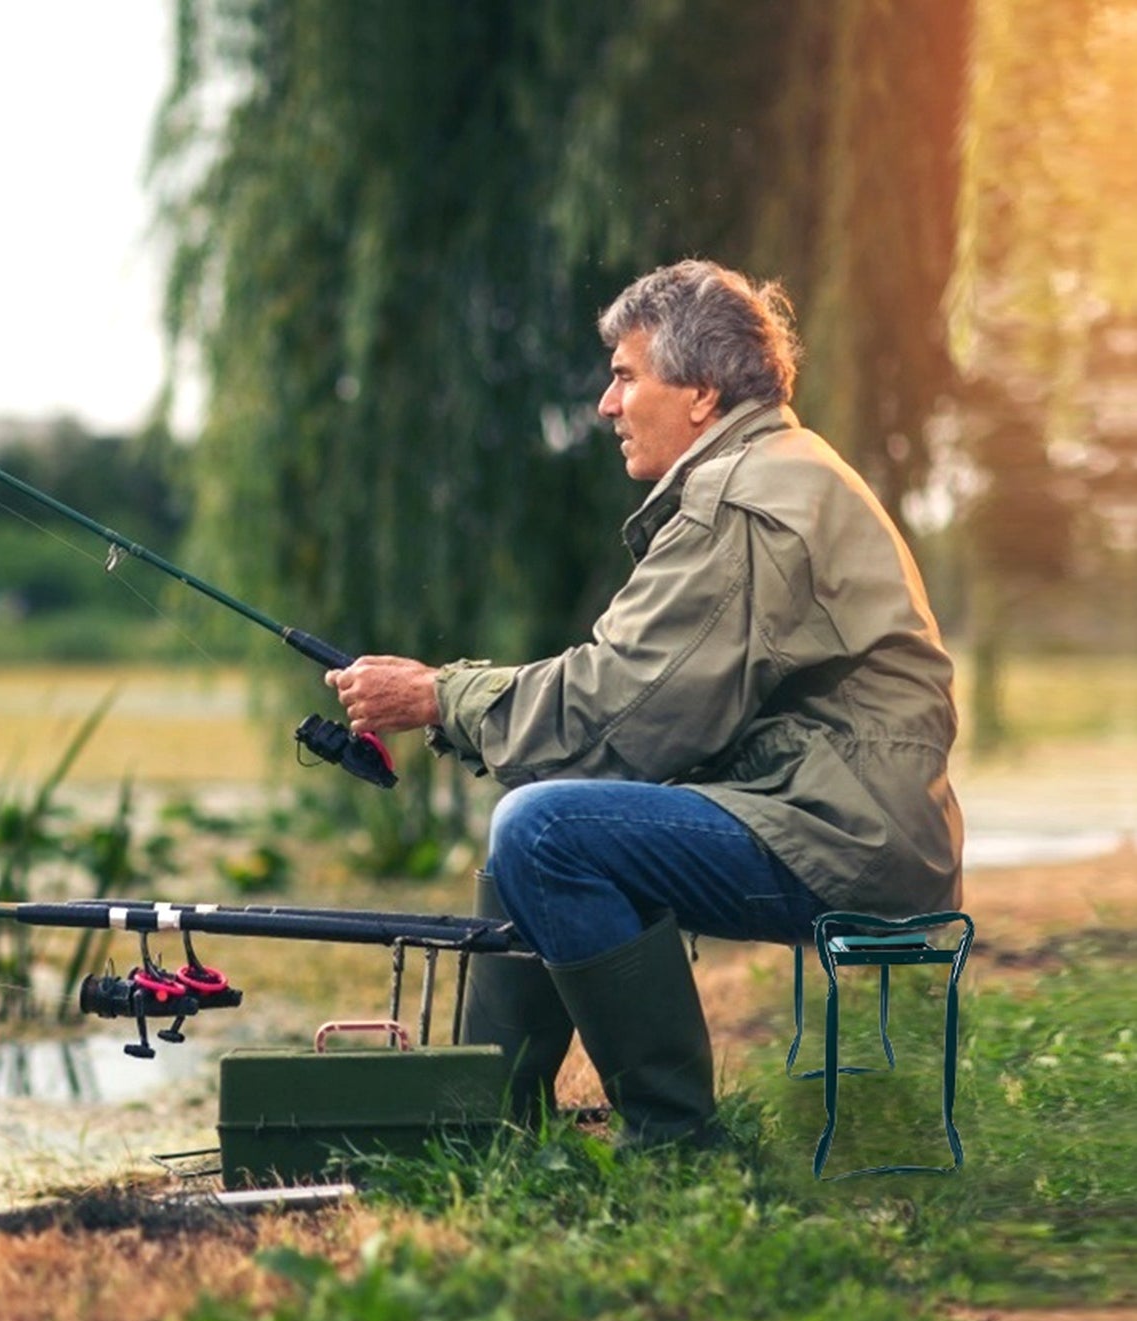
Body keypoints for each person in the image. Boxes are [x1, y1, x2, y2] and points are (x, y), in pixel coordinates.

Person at [325, 259, 963, 1148]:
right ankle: (479, 1126)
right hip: (844, 823)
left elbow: (617, 713)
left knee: (543, 829)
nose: (605, 404)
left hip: (840, 841)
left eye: (625, 375)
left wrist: (440, 695)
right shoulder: (774, 469)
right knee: (539, 824)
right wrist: (460, 703)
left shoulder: (740, 503)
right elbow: (640, 714)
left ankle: (676, 1140)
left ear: (701, 393)